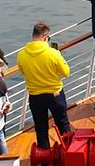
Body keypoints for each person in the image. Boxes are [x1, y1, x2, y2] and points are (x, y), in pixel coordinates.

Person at [17, 22, 72, 150]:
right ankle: (69, 152)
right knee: (63, 125)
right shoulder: (53, 53)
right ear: (46, 37)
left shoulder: (22, 54)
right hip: (54, 94)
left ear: (33, 36)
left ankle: (44, 157)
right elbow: (66, 72)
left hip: (35, 96)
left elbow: (23, 71)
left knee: (41, 128)